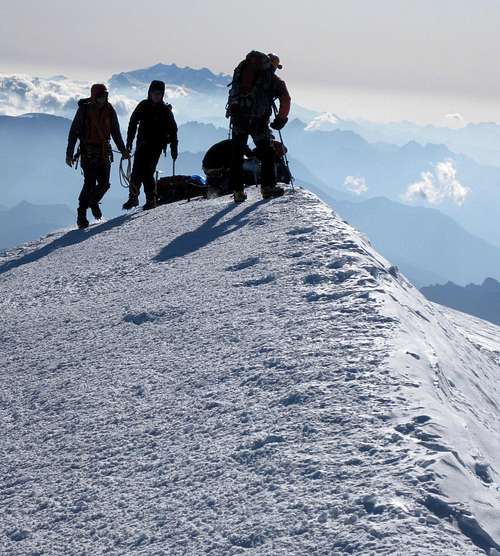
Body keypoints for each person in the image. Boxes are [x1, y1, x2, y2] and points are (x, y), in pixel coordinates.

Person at [227, 51, 291, 203]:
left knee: (237, 154)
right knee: (267, 153)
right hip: (258, 122)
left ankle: (238, 191)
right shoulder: (274, 80)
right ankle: (268, 188)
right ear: (274, 66)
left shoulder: (243, 71)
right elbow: (285, 99)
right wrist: (281, 119)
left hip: (238, 119)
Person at [66, 84, 129, 229]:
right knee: (89, 184)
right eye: (100, 96)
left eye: (105, 96)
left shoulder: (110, 110)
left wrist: (123, 150)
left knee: (104, 184)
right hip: (88, 153)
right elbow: (74, 132)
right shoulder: (84, 110)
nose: (103, 99)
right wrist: (69, 154)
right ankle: (81, 216)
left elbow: (116, 132)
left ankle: (92, 202)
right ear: (94, 96)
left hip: (104, 152)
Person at [122, 80, 179, 211]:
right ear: (150, 92)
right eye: (154, 92)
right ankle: (133, 197)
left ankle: (151, 199)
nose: (156, 95)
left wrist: (174, 149)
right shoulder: (143, 106)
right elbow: (132, 123)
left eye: (159, 93)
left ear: (162, 94)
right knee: (136, 171)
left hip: (156, 147)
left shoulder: (165, 111)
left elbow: (173, 131)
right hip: (142, 145)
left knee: (148, 172)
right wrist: (129, 142)